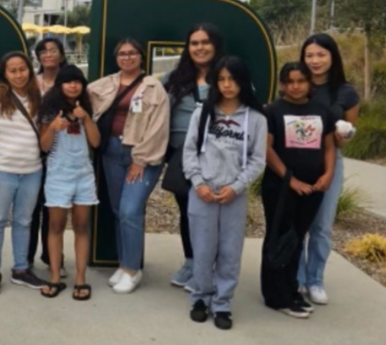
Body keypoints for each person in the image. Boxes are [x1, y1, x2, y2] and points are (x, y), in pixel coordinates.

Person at [182, 57, 267, 330]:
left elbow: (258, 160)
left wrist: (237, 187)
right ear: (215, 82)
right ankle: (200, 298)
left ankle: (222, 304)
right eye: (222, 79)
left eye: (233, 79)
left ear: (243, 81)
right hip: (203, 192)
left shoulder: (255, 119)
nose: (227, 85)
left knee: (230, 251)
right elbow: (189, 152)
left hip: (234, 195)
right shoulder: (202, 113)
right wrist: (199, 183)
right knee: (203, 249)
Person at [89, 38, 170, 294]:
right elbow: (81, 91)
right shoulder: (107, 83)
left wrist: (140, 160)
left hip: (141, 155)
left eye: (132, 53)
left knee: (130, 210)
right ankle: (124, 264)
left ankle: (133, 270)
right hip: (111, 152)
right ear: (117, 58)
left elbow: (158, 128)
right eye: (122, 54)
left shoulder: (154, 87)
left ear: (141, 56)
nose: (127, 57)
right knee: (117, 210)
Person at [261, 62, 336, 319]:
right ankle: (276, 296)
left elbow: (329, 147)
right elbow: (266, 149)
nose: (295, 86)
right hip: (280, 187)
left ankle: (292, 290)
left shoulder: (321, 111)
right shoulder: (272, 110)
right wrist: (289, 180)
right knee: (279, 237)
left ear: (309, 83)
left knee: (296, 240)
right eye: (289, 81)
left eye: (300, 81)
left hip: (313, 188)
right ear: (283, 84)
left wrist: (328, 174)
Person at [161, 23, 225, 290]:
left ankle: (209, 265)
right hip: (179, 156)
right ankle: (191, 261)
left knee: (211, 212)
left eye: (205, 42)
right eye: (194, 43)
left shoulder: (227, 76)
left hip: (217, 158)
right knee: (187, 211)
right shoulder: (174, 79)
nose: (200, 48)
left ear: (215, 45)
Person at [297, 34, 360, 305]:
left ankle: (315, 280)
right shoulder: (297, 85)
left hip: (329, 164)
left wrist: (344, 135)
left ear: (332, 56)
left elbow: (347, 137)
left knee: (321, 226)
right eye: (309, 55)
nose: (315, 61)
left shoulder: (346, 92)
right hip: (297, 162)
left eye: (321, 55)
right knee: (297, 225)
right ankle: (297, 278)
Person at [0, 52, 48, 295]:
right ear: (5, 74)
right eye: (13, 70)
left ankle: (21, 269)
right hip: (3, 170)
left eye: (23, 69)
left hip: (32, 171)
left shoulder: (37, 97)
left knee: (24, 221)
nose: (19, 74)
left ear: (30, 70)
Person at [37, 65, 99, 300]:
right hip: (58, 173)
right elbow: (43, 146)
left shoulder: (86, 108)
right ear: (59, 85)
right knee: (55, 226)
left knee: (82, 226)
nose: (73, 85)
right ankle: (54, 276)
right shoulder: (50, 109)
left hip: (83, 173)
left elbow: (95, 142)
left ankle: (81, 278)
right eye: (67, 81)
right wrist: (52, 128)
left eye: (77, 81)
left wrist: (86, 119)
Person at [29, 38, 68, 276]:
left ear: (62, 55)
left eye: (53, 50)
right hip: (31, 150)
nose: (48, 54)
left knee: (54, 206)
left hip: (60, 151)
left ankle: (53, 257)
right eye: (43, 51)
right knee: (31, 207)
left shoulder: (69, 81)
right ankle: (26, 258)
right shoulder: (32, 82)